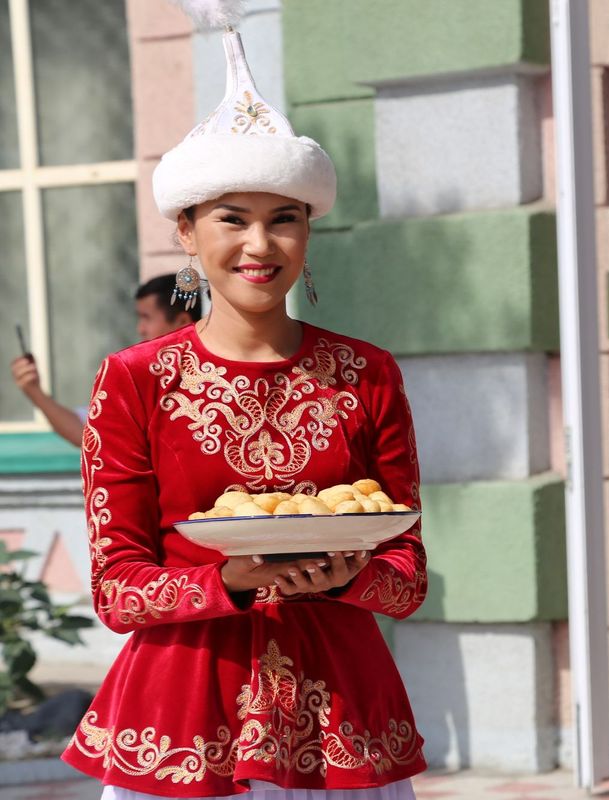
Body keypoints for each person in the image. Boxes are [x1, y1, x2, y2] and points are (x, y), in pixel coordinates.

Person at [61, 18, 426, 800]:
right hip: (184, 714)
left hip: (344, 718)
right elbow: (118, 589)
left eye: (284, 217)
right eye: (232, 217)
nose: (260, 244)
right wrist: (225, 579)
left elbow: (408, 575)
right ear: (186, 232)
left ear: (307, 230)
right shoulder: (134, 380)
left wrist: (346, 577)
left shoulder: (367, 373)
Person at [9, 275, 201, 448]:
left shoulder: (209, 377)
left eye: (146, 318)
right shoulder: (142, 378)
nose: (140, 329)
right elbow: (89, 433)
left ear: (183, 322)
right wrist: (34, 392)